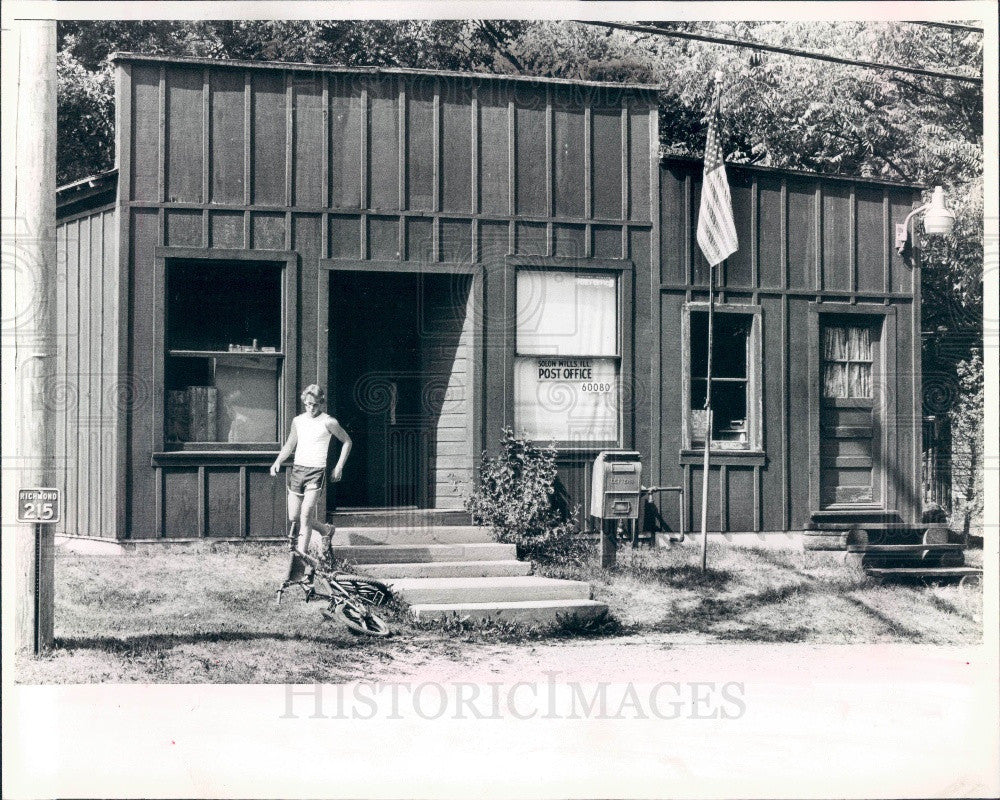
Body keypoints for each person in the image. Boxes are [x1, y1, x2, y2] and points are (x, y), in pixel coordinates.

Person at [270, 385, 351, 578]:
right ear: (303, 402)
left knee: (305, 516)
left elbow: (347, 441)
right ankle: (325, 530)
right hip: (298, 470)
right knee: (294, 517)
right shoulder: (298, 421)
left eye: (314, 405)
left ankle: (299, 562)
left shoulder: (329, 422)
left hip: (316, 471)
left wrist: (338, 466)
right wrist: (278, 461)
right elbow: (290, 444)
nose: (310, 408)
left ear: (321, 403)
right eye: (307, 404)